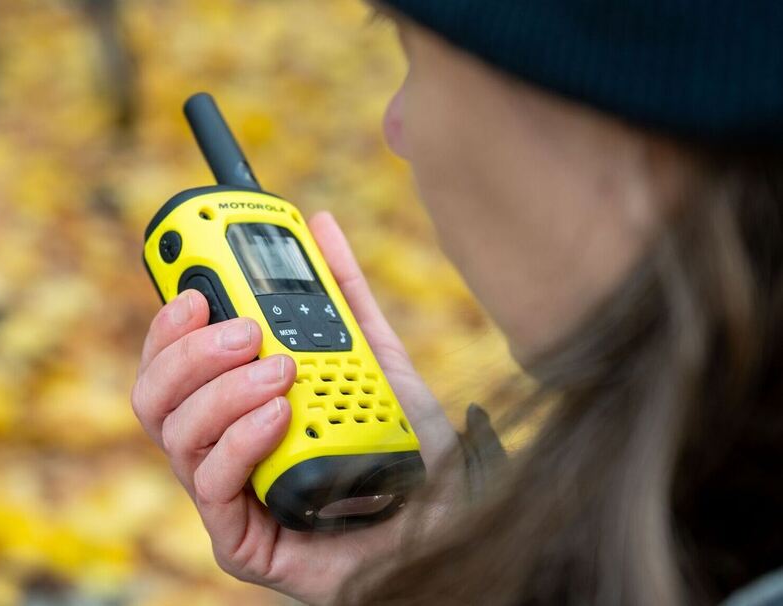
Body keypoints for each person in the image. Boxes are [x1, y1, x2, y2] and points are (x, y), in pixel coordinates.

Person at [130, 1, 783, 604]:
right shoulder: (713, 529)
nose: (396, 127)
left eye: (412, 53)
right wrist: (441, 555)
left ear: (637, 115)